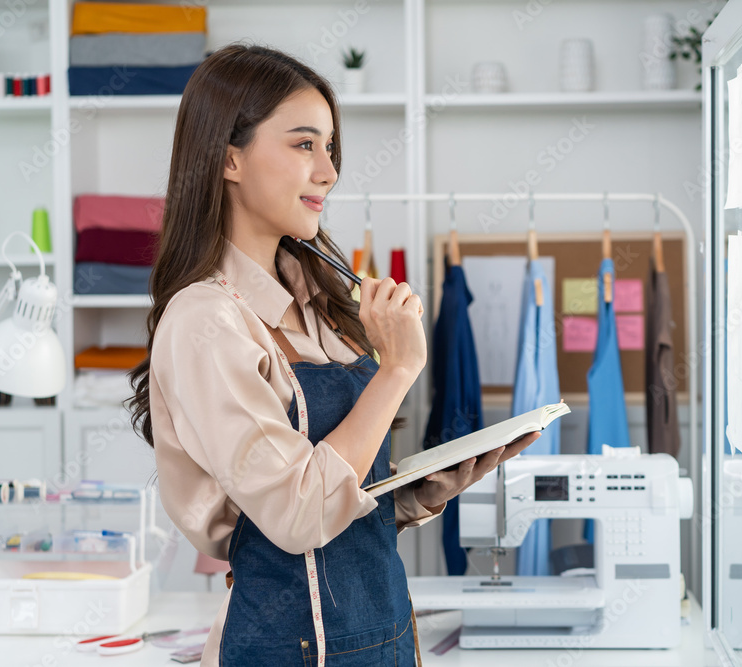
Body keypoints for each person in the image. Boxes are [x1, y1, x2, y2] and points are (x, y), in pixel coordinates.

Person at [127, 44, 538, 666]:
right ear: (229, 157)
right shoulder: (206, 321)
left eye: (329, 148)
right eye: (303, 144)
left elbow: (337, 500)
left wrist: (415, 492)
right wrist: (398, 368)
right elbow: (294, 516)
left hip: (388, 638)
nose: (329, 172)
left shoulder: (320, 304)